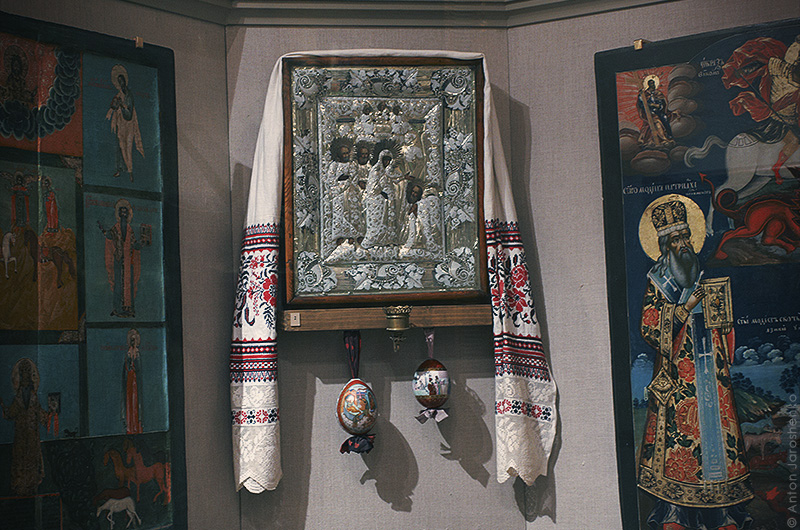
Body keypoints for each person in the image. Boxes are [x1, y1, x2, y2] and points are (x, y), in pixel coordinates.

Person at [638, 197, 752, 530]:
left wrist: (723, 322)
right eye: (676, 239)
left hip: (710, 371)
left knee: (717, 436)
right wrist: (685, 308)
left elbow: (719, 317)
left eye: (686, 235)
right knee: (679, 441)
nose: (684, 243)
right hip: (678, 374)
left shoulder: (701, 275)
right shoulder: (658, 280)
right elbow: (649, 326)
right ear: (665, 245)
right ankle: (675, 513)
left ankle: (723, 513)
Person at [1, 358, 48, 495]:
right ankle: (20, 488)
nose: (26, 376)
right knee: (20, 460)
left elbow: (40, 413)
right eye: (23, 373)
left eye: (28, 373)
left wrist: (50, 415)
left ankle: (32, 487)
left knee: (32, 460)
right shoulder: (18, 397)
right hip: (21, 435)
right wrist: (3, 406)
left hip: (32, 434)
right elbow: (11, 413)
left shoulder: (34, 396)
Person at [98, 199, 141, 318]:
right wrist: (103, 229)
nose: (123, 214)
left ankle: (129, 308)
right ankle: (117, 308)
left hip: (128, 261)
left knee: (129, 284)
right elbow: (109, 235)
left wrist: (139, 245)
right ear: (118, 214)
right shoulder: (115, 228)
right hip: (118, 260)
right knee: (118, 285)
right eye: (121, 212)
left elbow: (134, 243)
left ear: (128, 214)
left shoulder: (130, 229)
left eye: (125, 212)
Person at [323, 138, 364, 257]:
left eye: (347, 153)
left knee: (352, 217)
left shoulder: (352, 165)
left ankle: (353, 240)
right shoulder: (334, 165)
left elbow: (354, 178)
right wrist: (340, 181)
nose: (346, 155)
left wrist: (348, 181)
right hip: (339, 196)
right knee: (340, 217)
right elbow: (330, 180)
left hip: (351, 196)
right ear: (339, 155)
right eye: (343, 154)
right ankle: (340, 241)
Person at [106, 64, 144, 181]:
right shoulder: (118, 95)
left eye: (122, 81)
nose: (121, 83)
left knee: (128, 147)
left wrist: (122, 106)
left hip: (129, 124)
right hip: (120, 124)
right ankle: (120, 169)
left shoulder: (129, 95)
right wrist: (112, 109)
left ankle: (130, 171)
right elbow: (113, 106)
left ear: (125, 81)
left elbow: (129, 113)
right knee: (120, 147)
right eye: (119, 81)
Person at [361, 150, 399, 249]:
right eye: (385, 160)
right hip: (376, 201)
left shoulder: (387, 171)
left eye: (389, 160)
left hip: (387, 200)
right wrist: (382, 192)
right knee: (377, 222)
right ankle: (373, 241)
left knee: (388, 220)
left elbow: (395, 180)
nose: (387, 162)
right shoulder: (376, 170)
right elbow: (372, 189)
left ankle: (386, 240)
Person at [399, 181, 442, 258]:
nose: (413, 194)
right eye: (413, 191)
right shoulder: (408, 205)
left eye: (416, 193)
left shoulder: (421, 204)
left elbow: (423, 222)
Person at [637, 75, 674, 147]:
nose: (653, 85)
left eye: (654, 83)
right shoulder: (644, 94)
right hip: (649, 112)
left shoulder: (658, 93)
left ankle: (668, 135)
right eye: (652, 84)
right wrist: (642, 97)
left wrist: (657, 105)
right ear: (648, 85)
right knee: (656, 121)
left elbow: (662, 104)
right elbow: (641, 104)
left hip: (659, 111)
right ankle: (662, 139)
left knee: (665, 118)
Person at [123, 328, 143, 434]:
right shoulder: (128, 353)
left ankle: (136, 426)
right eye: (131, 339)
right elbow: (126, 368)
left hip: (135, 381)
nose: (132, 341)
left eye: (134, 339)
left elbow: (139, 369)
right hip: (130, 381)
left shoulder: (137, 353)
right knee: (130, 401)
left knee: (136, 401)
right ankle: (130, 427)